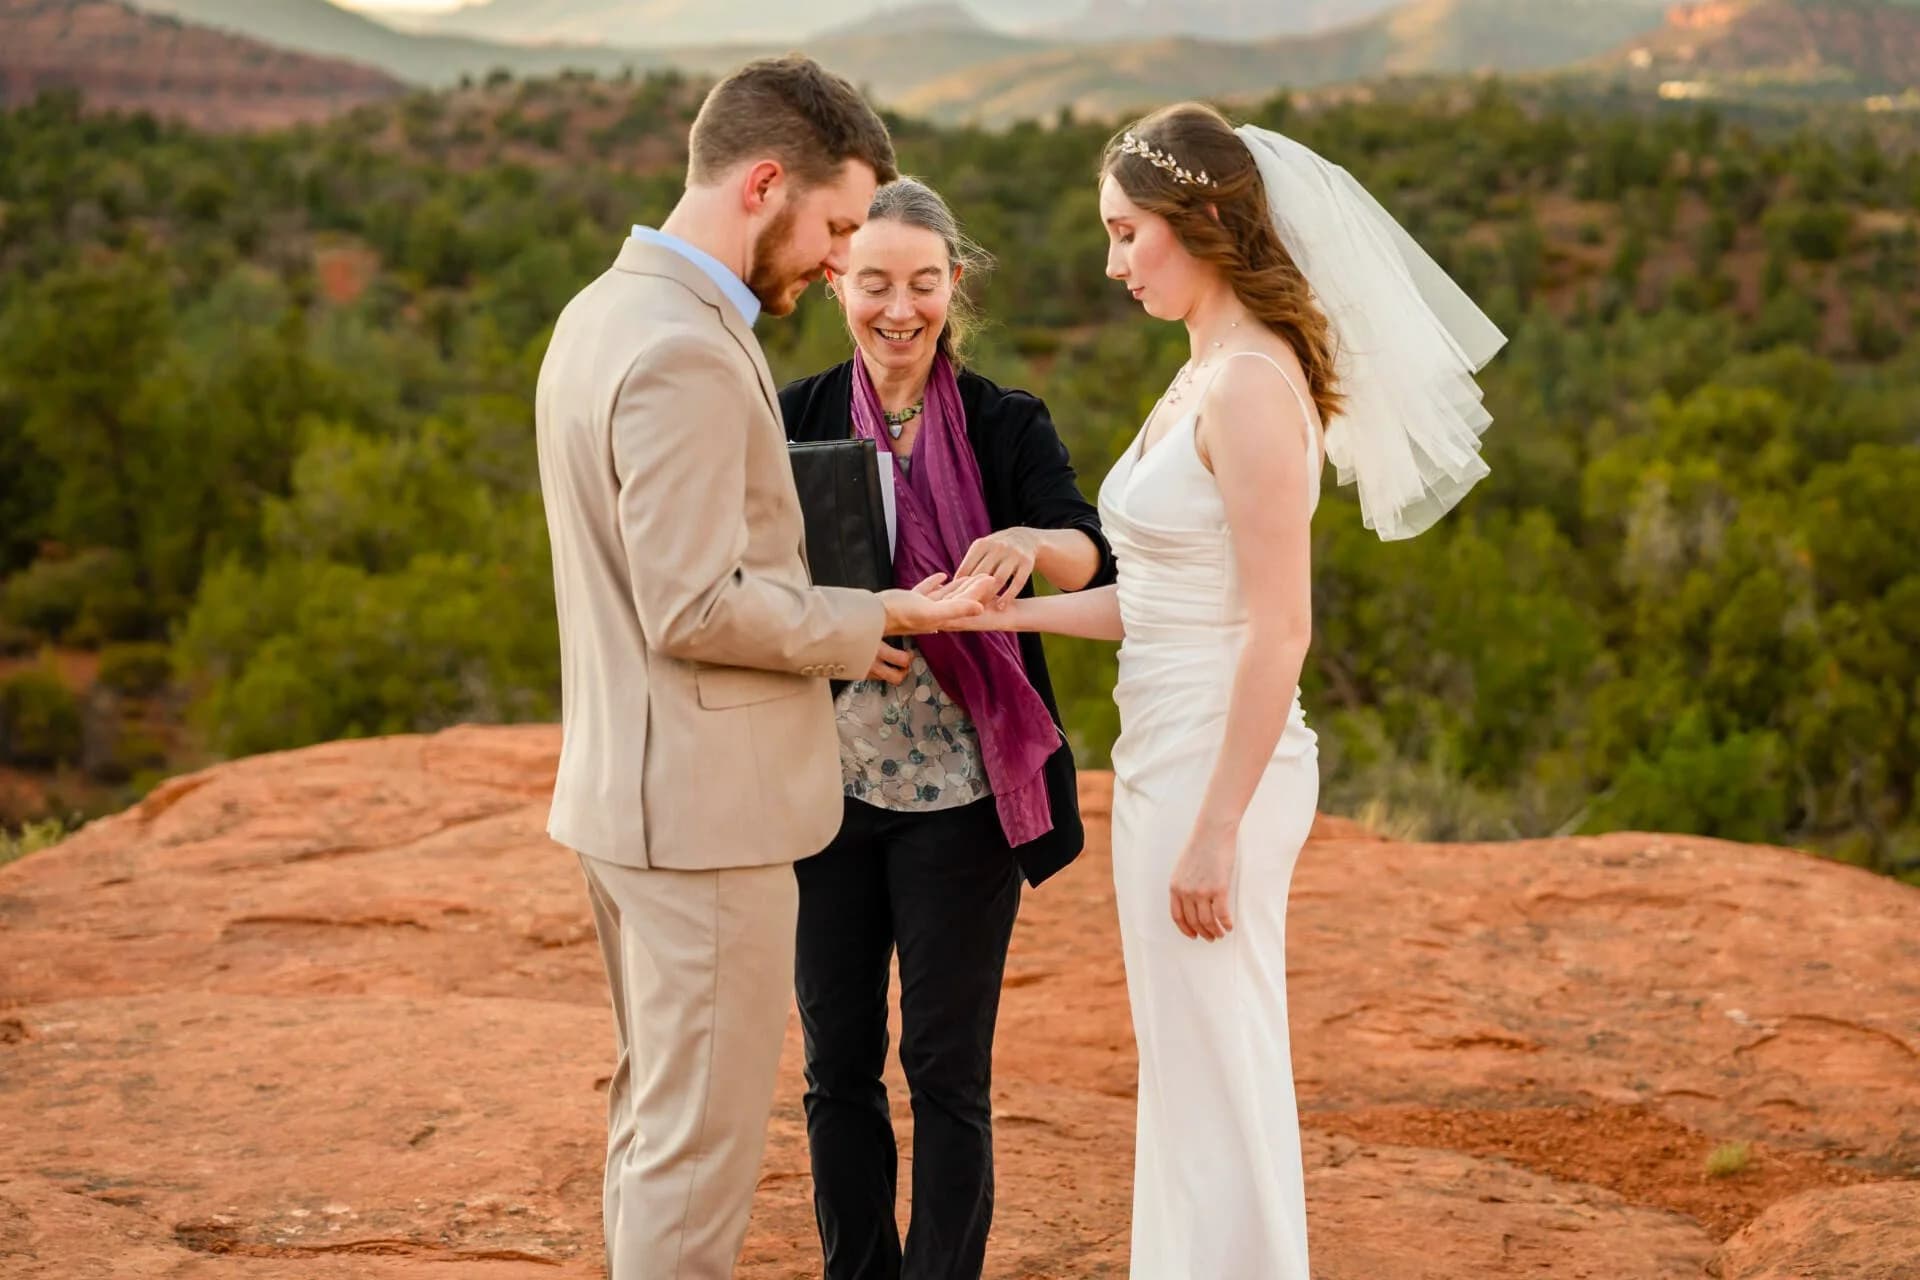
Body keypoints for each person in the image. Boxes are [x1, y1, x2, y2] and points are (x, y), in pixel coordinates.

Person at [942, 102, 1506, 1275]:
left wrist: (1217, 831)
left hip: (1219, 771)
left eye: (1125, 232)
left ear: (1199, 218)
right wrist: (1008, 605)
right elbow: (1157, 601)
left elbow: (1279, 626)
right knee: (1188, 1060)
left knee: (1220, 1056)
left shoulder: (1250, 382)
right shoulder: (1201, 371)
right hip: (1167, 750)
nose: (1112, 263)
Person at [533, 58, 990, 1280]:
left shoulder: (602, 312)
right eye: (838, 227)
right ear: (766, 182)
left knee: (655, 1130)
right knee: (696, 1161)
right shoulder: (684, 347)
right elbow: (690, 602)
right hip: (704, 819)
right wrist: (868, 617)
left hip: (627, 802)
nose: (841, 262)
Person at [779, 176, 1116, 1280]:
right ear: (837, 281)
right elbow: (756, 581)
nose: (899, 308)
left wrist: (1025, 539)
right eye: (873, 281)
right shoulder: (797, 415)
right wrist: (839, 627)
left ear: (951, 286)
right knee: (838, 1063)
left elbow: (1085, 546)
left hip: (966, 800)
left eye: (923, 283)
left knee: (946, 1067)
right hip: (820, 792)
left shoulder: (1009, 421)